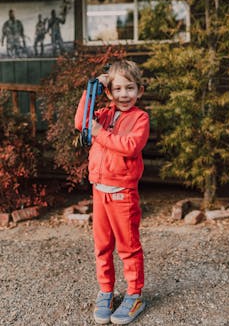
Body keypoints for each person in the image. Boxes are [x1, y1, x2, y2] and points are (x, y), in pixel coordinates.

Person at [74, 60, 150, 325]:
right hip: (100, 191)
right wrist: (92, 87)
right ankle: (106, 290)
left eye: (130, 88)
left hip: (122, 193)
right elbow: (81, 122)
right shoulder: (104, 113)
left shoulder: (140, 118)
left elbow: (129, 146)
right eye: (117, 88)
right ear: (109, 91)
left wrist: (100, 134)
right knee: (102, 246)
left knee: (128, 247)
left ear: (139, 91)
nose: (124, 95)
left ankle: (134, 294)